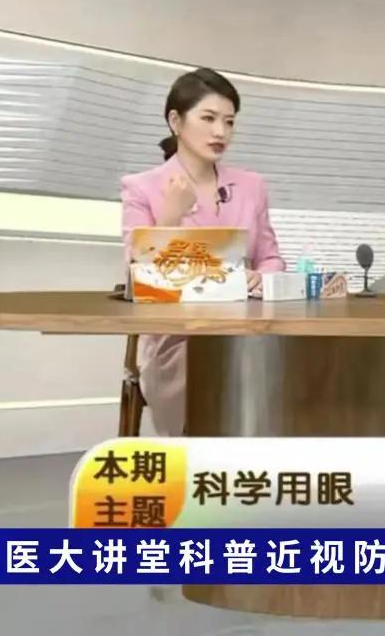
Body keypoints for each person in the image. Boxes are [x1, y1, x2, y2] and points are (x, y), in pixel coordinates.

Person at [120, 68, 285, 436]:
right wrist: (170, 215)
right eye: (208, 119)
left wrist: (261, 277)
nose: (220, 132)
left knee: (297, 361)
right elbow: (137, 279)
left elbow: (272, 258)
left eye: (229, 122)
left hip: (248, 331)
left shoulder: (251, 186)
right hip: (179, 341)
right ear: (175, 121)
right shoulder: (142, 188)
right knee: (223, 371)